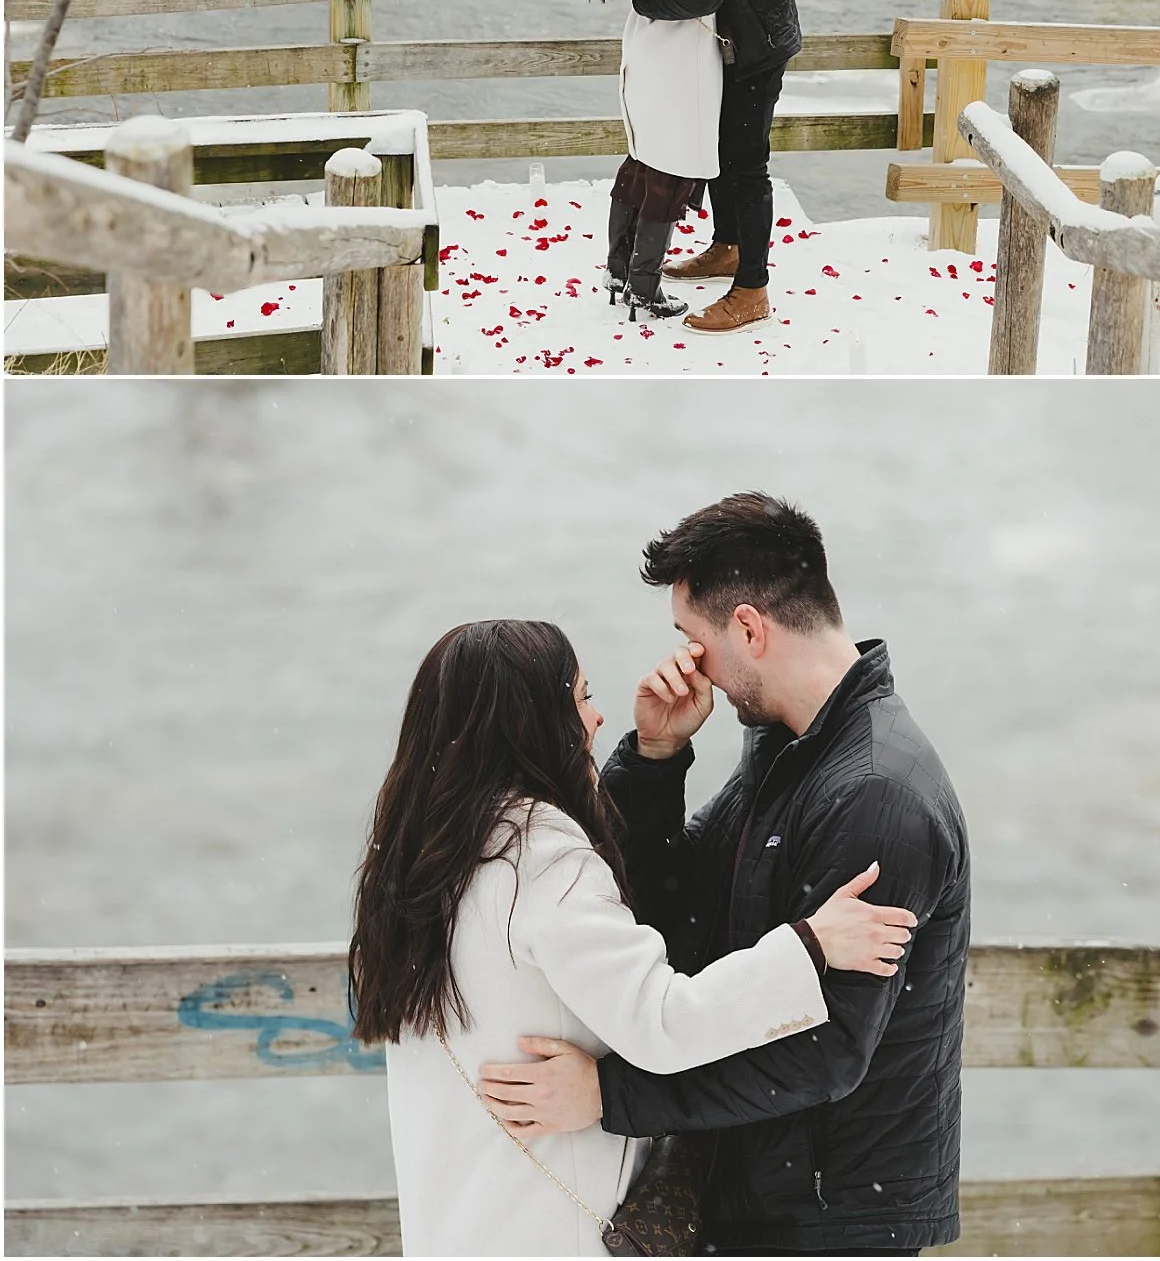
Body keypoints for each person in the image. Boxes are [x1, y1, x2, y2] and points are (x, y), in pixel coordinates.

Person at [477, 494, 971, 1257]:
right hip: (763, 1194)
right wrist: (655, 757)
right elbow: (668, 909)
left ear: (748, 627)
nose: (688, 660)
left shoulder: (877, 795)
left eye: (693, 635)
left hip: (830, 1221)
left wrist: (607, 1098)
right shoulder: (787, 747)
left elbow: (828, 1049)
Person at [350, 618, 921, 1257]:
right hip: (552, 1232)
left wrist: (654, 754)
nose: (597, 720)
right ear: (529, 726)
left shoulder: (422, 862)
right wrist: (809, 946)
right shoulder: (539, 857)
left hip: (458, 1223)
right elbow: (662, 1021)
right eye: (582, 698)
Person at [633, 0, 805, 336]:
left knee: (746, 164)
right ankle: (728, 247)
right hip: (728, 42)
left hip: (755, 49)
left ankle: (752, 288)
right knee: (722, 151)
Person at [577, 0, 757, 321]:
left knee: (641, 159)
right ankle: (645, 286)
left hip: (641, 48)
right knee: (671, 173)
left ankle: (619, 270)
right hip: (683, 56)